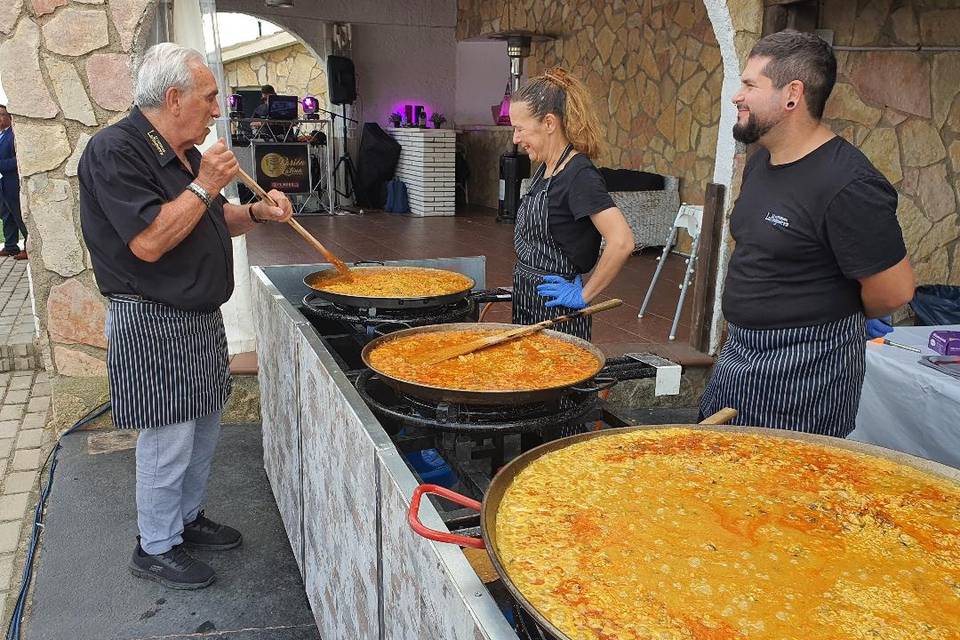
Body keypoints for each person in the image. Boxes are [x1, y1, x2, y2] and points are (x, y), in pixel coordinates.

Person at [78, 43, 294, 590]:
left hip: (195, 315)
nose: (216, 108)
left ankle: (184, 519)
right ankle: (154, 545)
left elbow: (210, 217)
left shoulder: (182, 152)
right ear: (173, 99)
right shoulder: (115, 151)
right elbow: (150, 240)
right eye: (209, 97)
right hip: (152, 318)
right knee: (168, 435)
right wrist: (205, 184)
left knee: (201, 427)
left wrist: (257, 213)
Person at [699, 30, 915, 437]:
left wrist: (835, 316)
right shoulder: (762, 161)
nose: (736, 96)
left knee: (778, 491)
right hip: (739, 357)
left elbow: (896, 290)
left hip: (804, 372)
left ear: (792, 94)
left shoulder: (848, 184)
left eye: (749, 84)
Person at [508, 67, 635, 340]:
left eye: (520, 129)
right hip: (528, 301)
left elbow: (622, 241)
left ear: (549, 123)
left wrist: (583, 294)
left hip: (559, 312)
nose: (516, 139)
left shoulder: (579, 175)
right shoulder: (546, 168)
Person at [0, 106, 27, 260]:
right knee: (7, 215)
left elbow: (19, 160)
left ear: (9, 117)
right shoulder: (2, 136)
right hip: (3, 183)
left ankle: (29, 248)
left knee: (19, 214)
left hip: (13, 182)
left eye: (2, 115)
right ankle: (10, 246)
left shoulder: (14, 135)